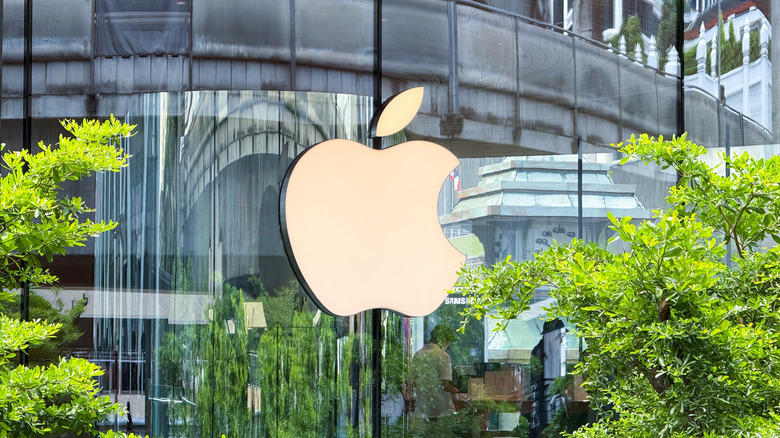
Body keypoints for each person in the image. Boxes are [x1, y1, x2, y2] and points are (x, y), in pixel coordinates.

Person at [410, 324, 458, 421]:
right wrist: (454, 390)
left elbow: (413, 381)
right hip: (439, 404)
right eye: (447, 342)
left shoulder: (418, 354)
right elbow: (444, 384)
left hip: (421, 403)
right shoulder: (443, 355)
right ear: (443, 340)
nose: (447, 346)